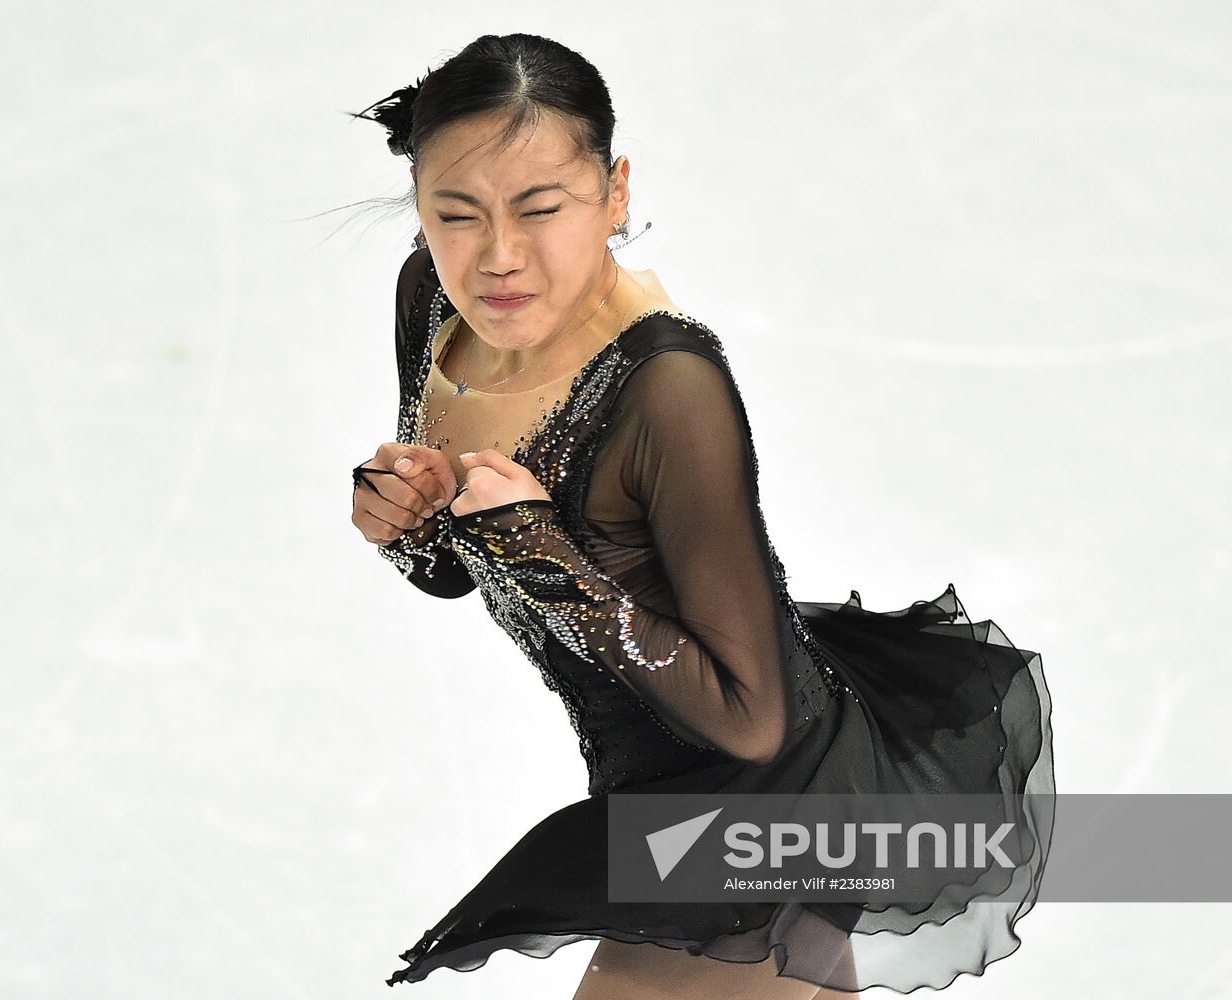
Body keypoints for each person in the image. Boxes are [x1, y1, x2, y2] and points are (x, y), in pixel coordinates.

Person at [348, 33, 1055, 999]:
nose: (498, 256)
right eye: (456, 214)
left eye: (541, 209)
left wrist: (536, 542)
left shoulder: (667, 390)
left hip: (762, 806)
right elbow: (454, 568)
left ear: (615, 193)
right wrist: (413, 520)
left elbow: (753, 722)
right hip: (654, 791)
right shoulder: (432, 301)